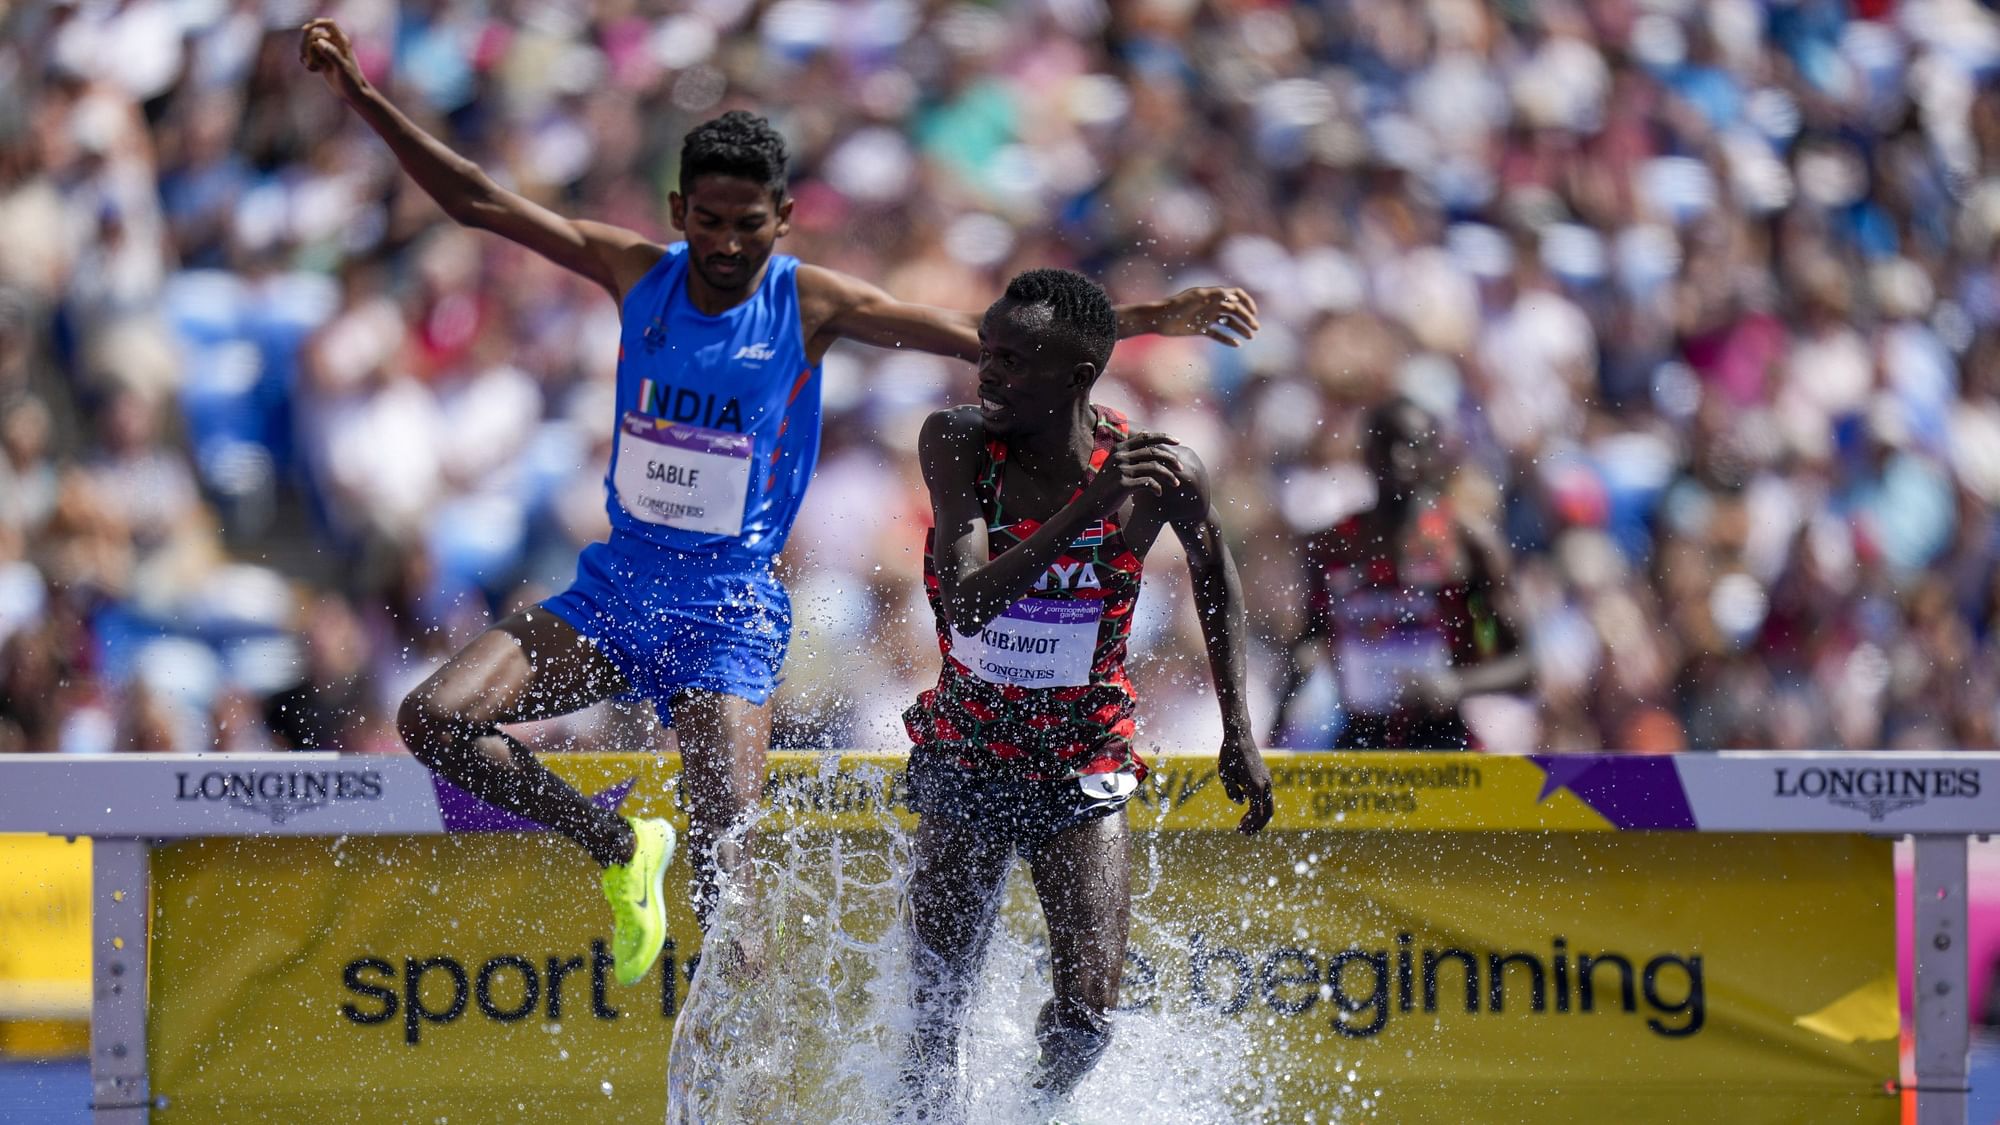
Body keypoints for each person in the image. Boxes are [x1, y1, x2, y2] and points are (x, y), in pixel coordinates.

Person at [298, 19, 1261, 987]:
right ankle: (619, 849)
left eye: (747, 225)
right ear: (677, 209)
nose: (724, 244)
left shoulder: (809, 305)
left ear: (783, 217)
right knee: (433, 721)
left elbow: (979, 337)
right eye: (706, 221)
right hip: (614, 591)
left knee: (731, 904)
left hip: (726, 617)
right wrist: (360, 95)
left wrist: (1138, 321)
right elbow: (476, 202)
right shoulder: (636, 272)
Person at [898, 269, 1274, 1121]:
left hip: (1082, 759)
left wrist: (1237, 732)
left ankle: (1032, 1113)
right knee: (933, 1017)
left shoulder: (1158, 469)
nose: (986, 373)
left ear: (1077, 377)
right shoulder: (956, 443)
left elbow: (1218, 578)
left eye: (1011, 361)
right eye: (985, 352)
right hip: (969, 751)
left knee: (1086, 1019)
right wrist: (1089, 503)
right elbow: (968, 599)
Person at [1270, 397, 1533, 750]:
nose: (1398, 459)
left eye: (1412, 447)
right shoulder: (1332, 546)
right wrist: (1271, 737)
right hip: (1360, 742)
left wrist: (1455, 684)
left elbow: (1525, 668)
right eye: (1386, 445)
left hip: (1444, 742)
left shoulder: (1468, 545)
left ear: (1434, 457)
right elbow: (1306, 645)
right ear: (1365, 454)